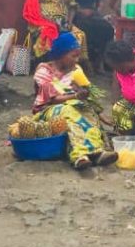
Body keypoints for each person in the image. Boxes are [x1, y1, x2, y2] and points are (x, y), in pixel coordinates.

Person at [32, 32, 117, 171]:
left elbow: (86, 95)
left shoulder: (76, 70)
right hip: (47, 110)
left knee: (88, 112)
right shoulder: (44, 70)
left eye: (78, 56)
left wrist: (100, 114)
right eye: (73, 56)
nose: (76, 60)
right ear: (60, 54)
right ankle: (79, 155)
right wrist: (75, 97)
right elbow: (52, 100)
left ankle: (98, 151)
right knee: (69, 112)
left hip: (74, 105)